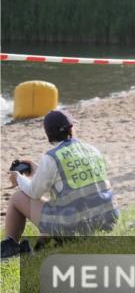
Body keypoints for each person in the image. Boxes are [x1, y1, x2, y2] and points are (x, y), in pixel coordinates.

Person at [2, 111, 118, 259]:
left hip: (76, 228)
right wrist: (37, 169)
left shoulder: (52, 157)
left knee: (17, 198)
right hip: (106, 221)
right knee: (61, 203)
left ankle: (9, 244)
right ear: (71, 128)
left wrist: (18, 178)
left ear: (48, 134)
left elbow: (34, 192)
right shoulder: (92, 149)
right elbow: (68, 178)